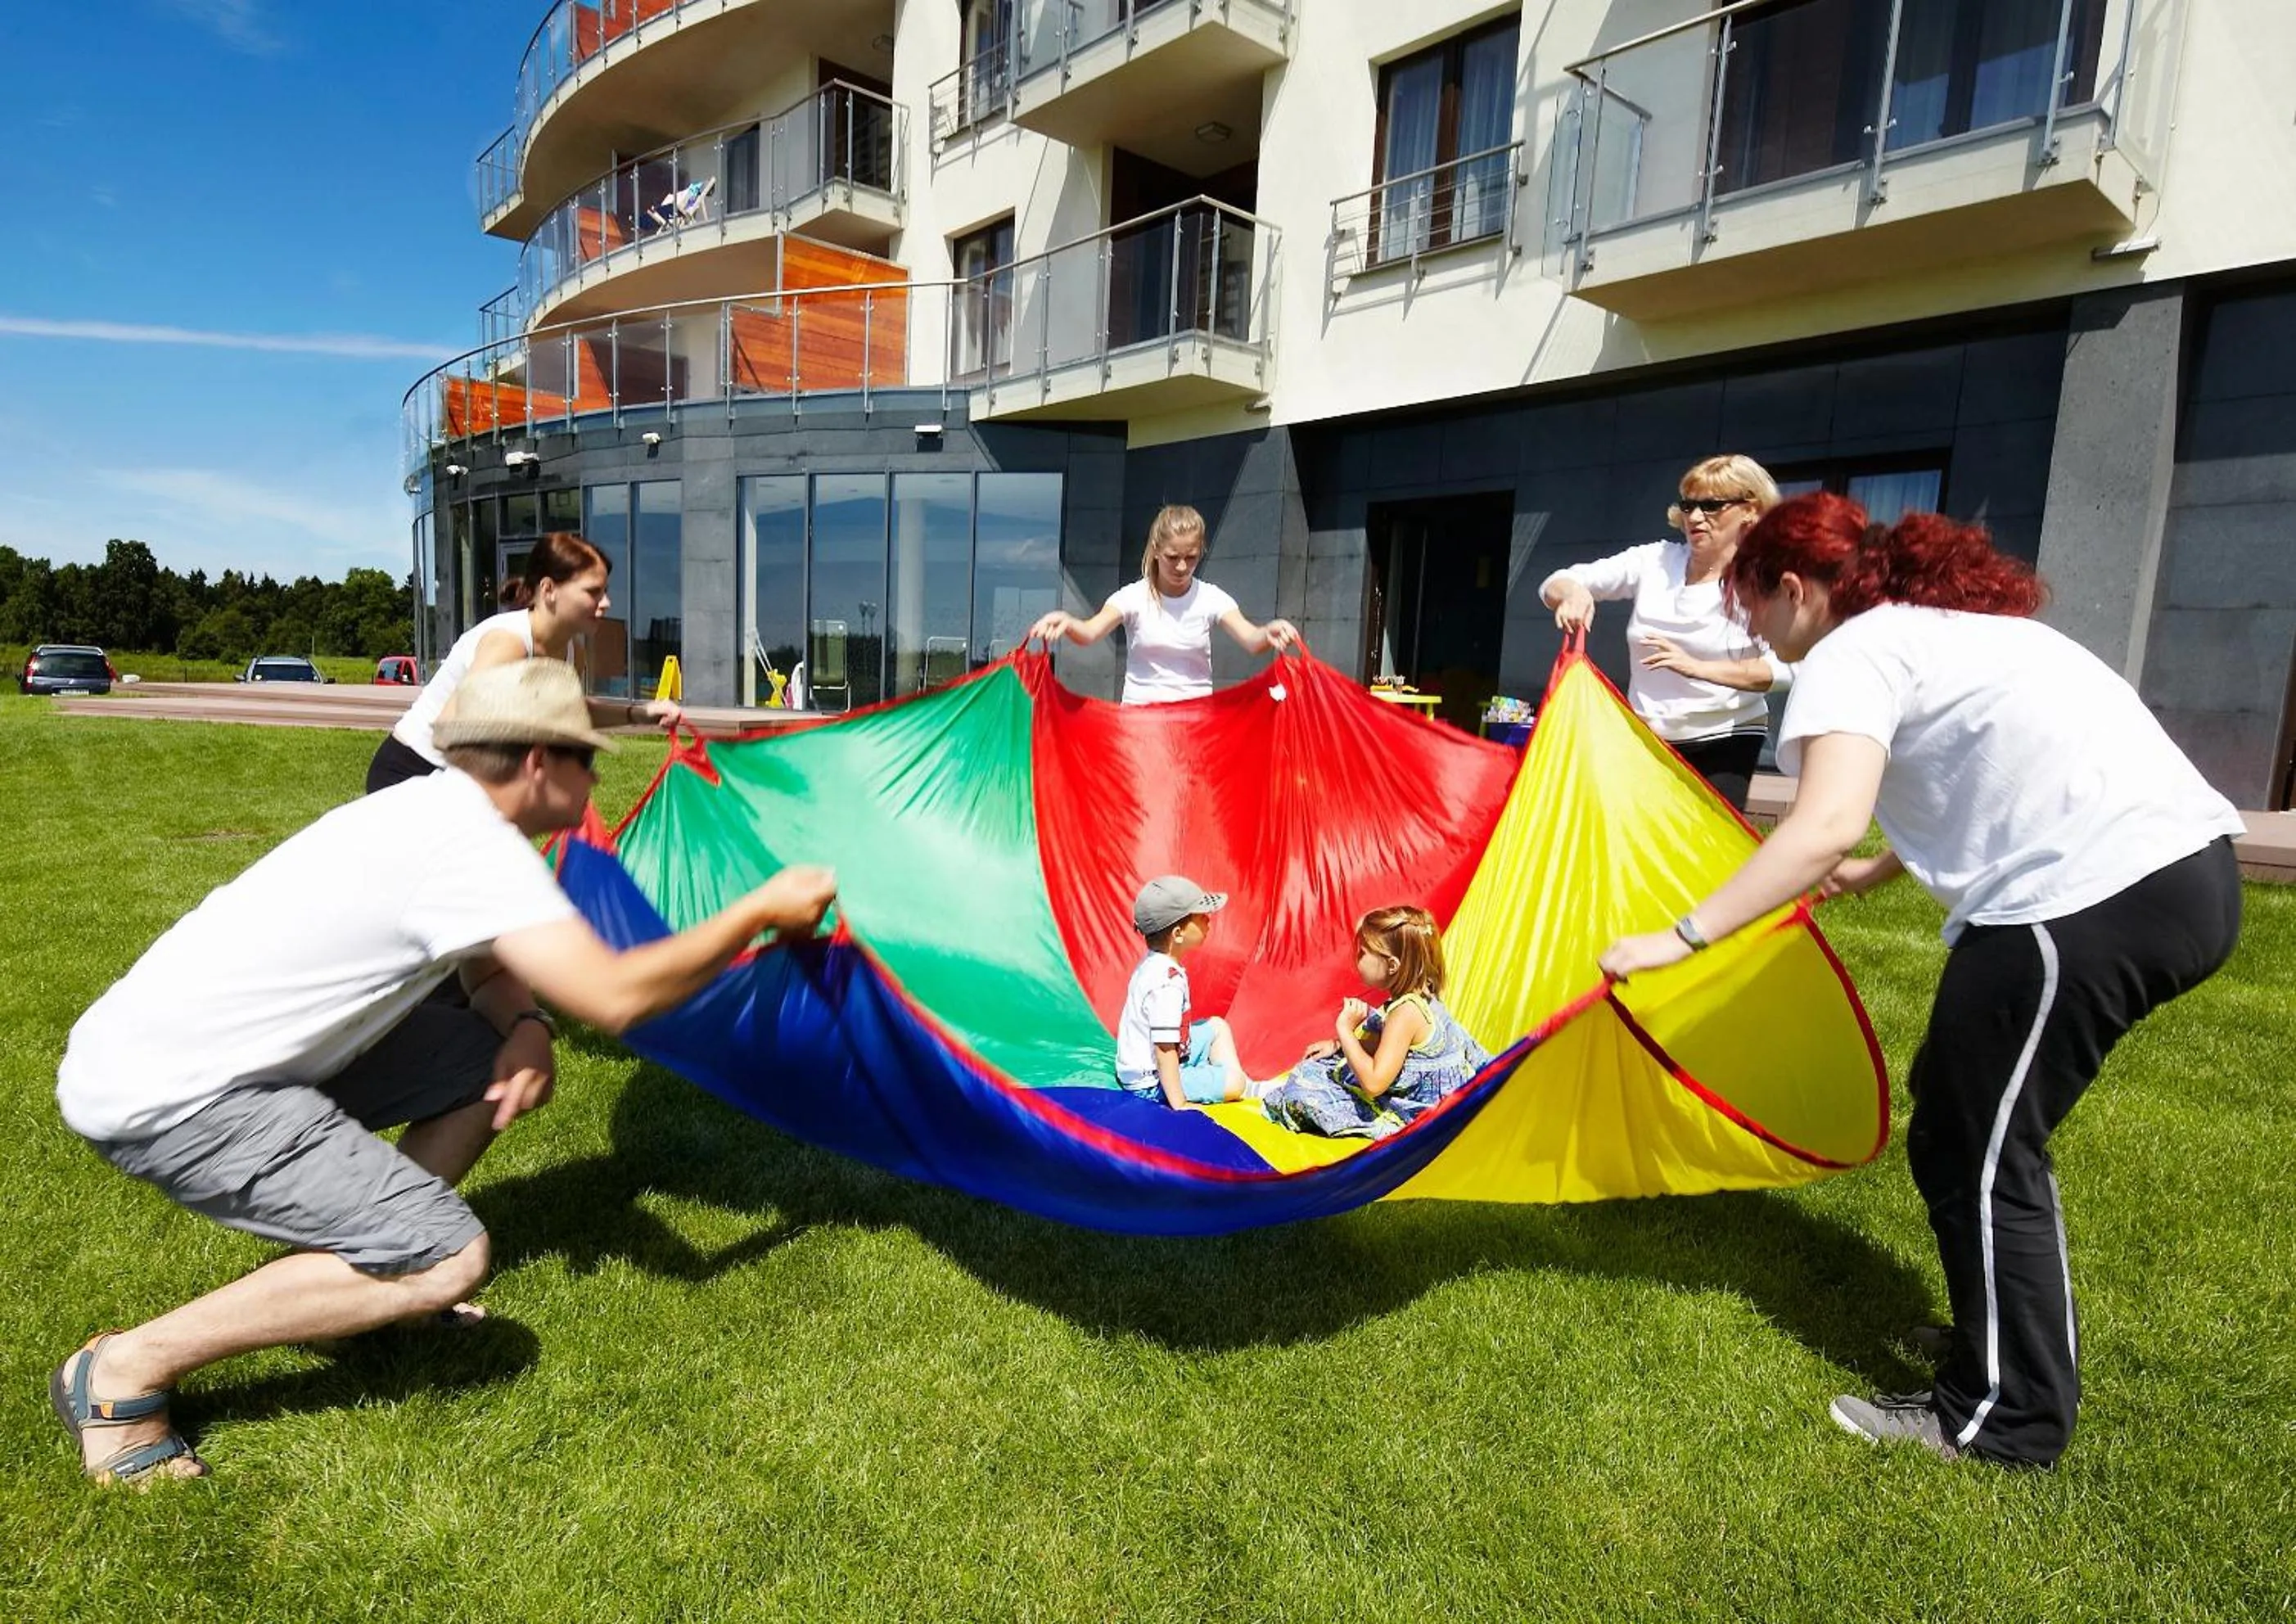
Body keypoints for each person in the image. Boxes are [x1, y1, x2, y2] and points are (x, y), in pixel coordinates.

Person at [50, 661, 837, 1486]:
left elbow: (486, 967)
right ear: (540, 763)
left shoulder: (431, 812)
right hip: (173, 1096)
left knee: (475, 1062)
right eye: (586, 758)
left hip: (187, 1052)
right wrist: (759, 912)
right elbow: (616, 996)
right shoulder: (476, 850)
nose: (597, 774)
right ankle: (122, 1372)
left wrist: (526, 1025)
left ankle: (348, 1295)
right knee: (445, 1259)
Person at [1597, 494, 2244, 1469]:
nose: (1755, 632)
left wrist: (1678, 938)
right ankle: (2002, 1344)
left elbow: (1821, 825)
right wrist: (1884, 866)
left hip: (2090, 898)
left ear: (1791, 588)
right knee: (1966, 1122)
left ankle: (2002, 1419)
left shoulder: (1850, 652)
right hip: (2169, 879)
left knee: (1979, 1145)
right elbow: (1984, 766)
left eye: (1751, 609)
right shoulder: (1947, 629)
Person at [1539, 454, 1792, 810]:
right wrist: (1575, 592)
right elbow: (1555, 583)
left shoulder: (1766, 578)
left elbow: (1784, 670)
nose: (1695, 517)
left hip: (1727, 737)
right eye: (1688, 506)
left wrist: (1698, 668)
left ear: (1750, 510)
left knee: (1705, 848)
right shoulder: (1655, 561)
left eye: (1711, 505)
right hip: (1648, 737)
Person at [366, 532, 682, 794]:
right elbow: (451, 730)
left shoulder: (573, 651)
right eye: (593, 592)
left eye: (606, 592)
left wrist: (641, 713)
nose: (606, 603)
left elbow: (567, 710)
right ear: (549, 590)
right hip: (411, 775)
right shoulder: (508, 643)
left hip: (461, 782)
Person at [1028, 504, 1300, 704]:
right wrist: (1068, 622)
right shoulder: (1132, 597)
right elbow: (1090, 633)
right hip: (1140, 721)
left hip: (1194, 722)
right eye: (1173, 557)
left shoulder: (1212, 598)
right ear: (1156, 550)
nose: (1182, 566)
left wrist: (1269, 632)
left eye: (1191, 557)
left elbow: (1252, 639)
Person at [1261, 904, 1490, 1139]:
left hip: (1422, 1118)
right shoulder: (1424, 994)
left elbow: (1373, 1084)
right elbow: (1392, 1048)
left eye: (1362, 953)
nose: (1355, 959)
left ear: (1392, 965)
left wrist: (1345, 1031)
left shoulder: (1405, 1013)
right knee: (1325, 1065)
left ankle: (1263, 1093)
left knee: (1306, 1088)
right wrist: (1337, 1047)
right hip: (1441, 1102)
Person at [1116, 875, 1259, 1108]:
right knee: (1236, 1083)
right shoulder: (1166, 983)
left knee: (1217, 1027)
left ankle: (1225, 1078)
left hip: (1159, 1063)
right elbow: (1164, 1049)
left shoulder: (1157, 963)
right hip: (1151, 1083)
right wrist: (1179, 1102)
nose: (1208, 919)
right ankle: (1235, 1082)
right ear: (1178, 934)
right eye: (1201, 916)